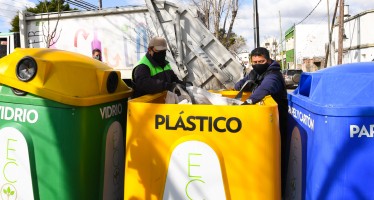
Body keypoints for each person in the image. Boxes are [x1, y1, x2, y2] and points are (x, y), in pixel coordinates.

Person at [234, 47, 288, 197]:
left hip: (277, 123)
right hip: (263, 125)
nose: (258, 64)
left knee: (277, 160)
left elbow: (264, 88)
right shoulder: (256, 72)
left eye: (261, 61)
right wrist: (246, 83)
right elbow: (240, 85)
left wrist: (247, 103)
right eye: (255, 62)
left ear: (268, 60)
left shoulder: (274, 75)